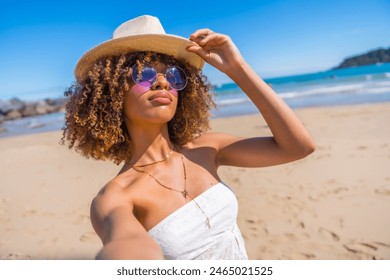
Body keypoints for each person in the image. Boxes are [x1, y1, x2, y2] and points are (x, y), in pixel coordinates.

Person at [61, 15, 315, 260]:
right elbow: (126, 247)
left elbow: (298, 147)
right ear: (112, 92)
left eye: (171, 75)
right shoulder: (116, 197)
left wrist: (236, 68)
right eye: (144, 73)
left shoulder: (207, 148)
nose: (162, 83)